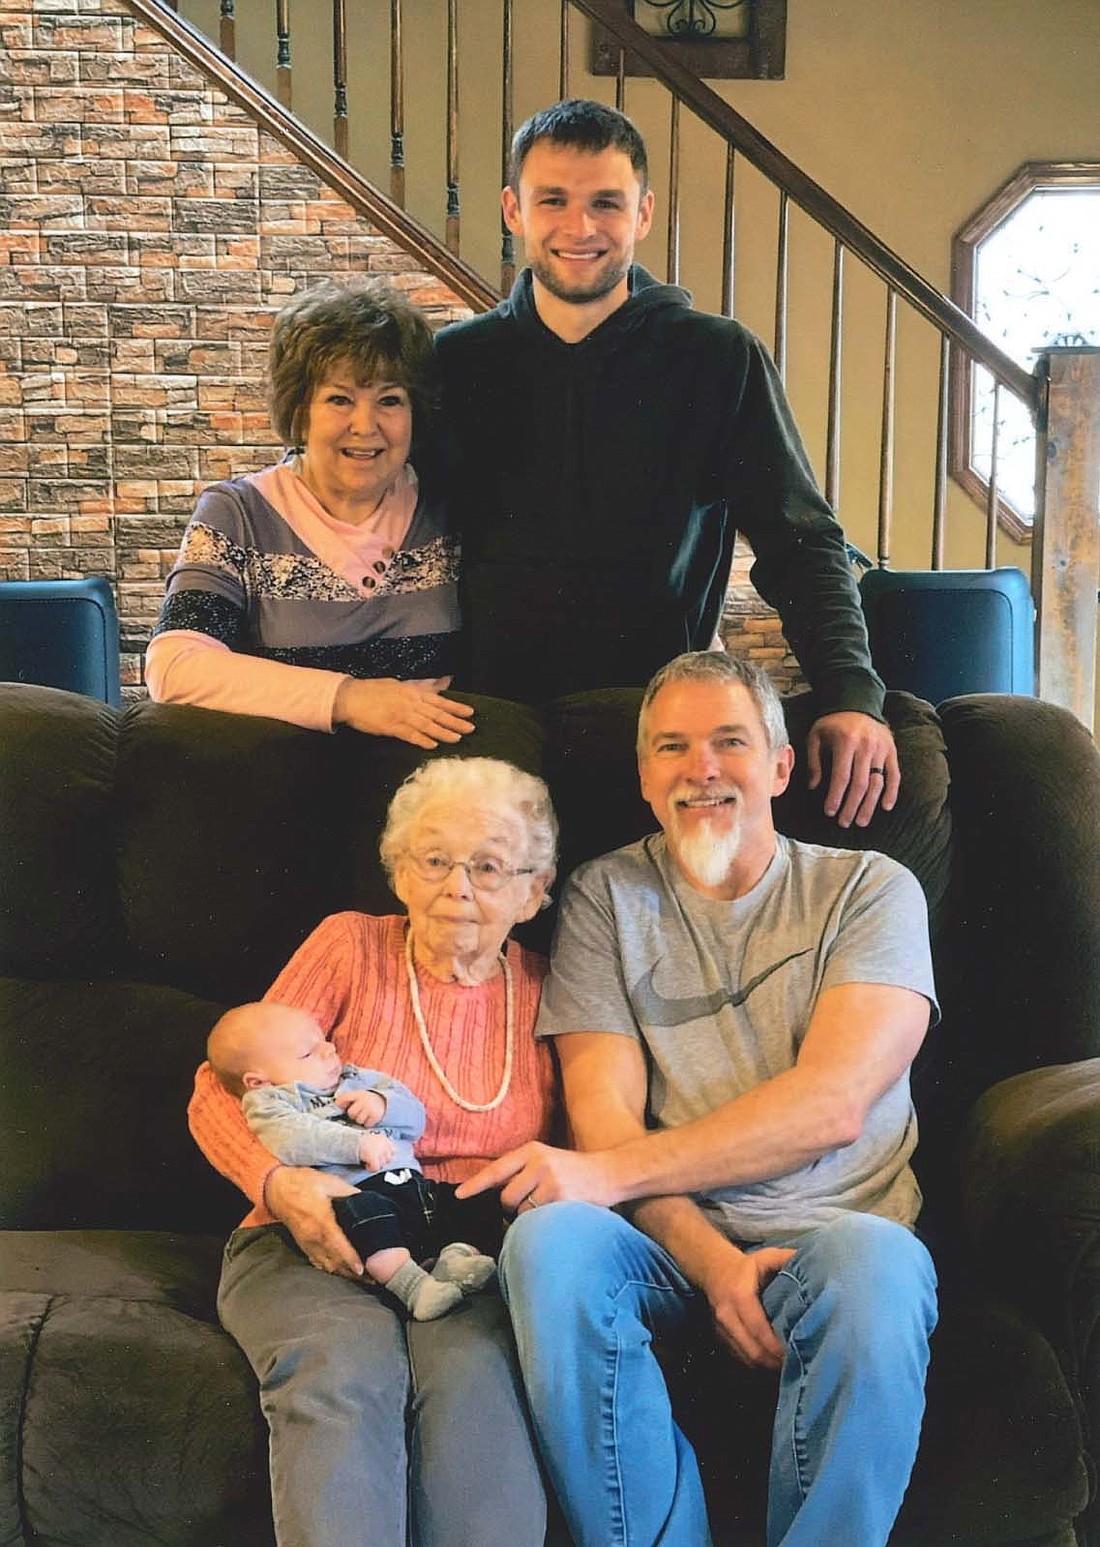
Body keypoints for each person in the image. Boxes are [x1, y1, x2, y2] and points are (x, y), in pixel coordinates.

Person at [459, 651, 939, 1547]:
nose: (702, 768)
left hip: (835, 1233)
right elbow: (602, 1120)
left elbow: (830, 1105)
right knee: (551, 1240)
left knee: (882, 1269)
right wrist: (714, 1263)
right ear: (645, 777)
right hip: (667, 1239)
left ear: (782, 766)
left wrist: (606, 1171)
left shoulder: (869, 890)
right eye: (672, 747)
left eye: (730, 741)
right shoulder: (605, 896)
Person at [435, 98, 896, 827]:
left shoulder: (717, 358)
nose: (580, 227)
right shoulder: (452, 365)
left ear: (643, 214)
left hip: (657, 725)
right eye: (552, 200)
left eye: (606, 203)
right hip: (491, 724)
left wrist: (850, 695)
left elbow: (801, 542)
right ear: (512, 211)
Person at [188, 755, 558, 1547]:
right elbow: (222, 1084)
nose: (457, 885)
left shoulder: (553, 988)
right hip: (312, 1229)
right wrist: (279, 1183)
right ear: (398, 870)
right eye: (434, 859)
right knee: (339, 1372)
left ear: (533, 889)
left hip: (466, 1247)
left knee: (480, 1396)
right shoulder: (348, 944)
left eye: (488, 865)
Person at [147, 277, 475, 751]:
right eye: (339, 399)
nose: (365, 426)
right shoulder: (238, 514)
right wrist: (348, 699)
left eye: (389, 400)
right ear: (300, 410)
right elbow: (175, 666)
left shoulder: (448, 510)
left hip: (428, 799)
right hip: (284, 795)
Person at [207, 1002, 498, 1322]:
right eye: (307, 1053)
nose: (329, 1049)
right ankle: (414, 1287)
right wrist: (356, 1144)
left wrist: (384, 1105)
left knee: (470, 1199)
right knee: (365, 1216)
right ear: (257, 1082)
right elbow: (295, 1140)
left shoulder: (359, 1079)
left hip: (412, 1183)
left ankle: (454, 1256)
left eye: (324, 1040)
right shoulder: (272, 1102)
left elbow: (416, 1119)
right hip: (359, 1193)